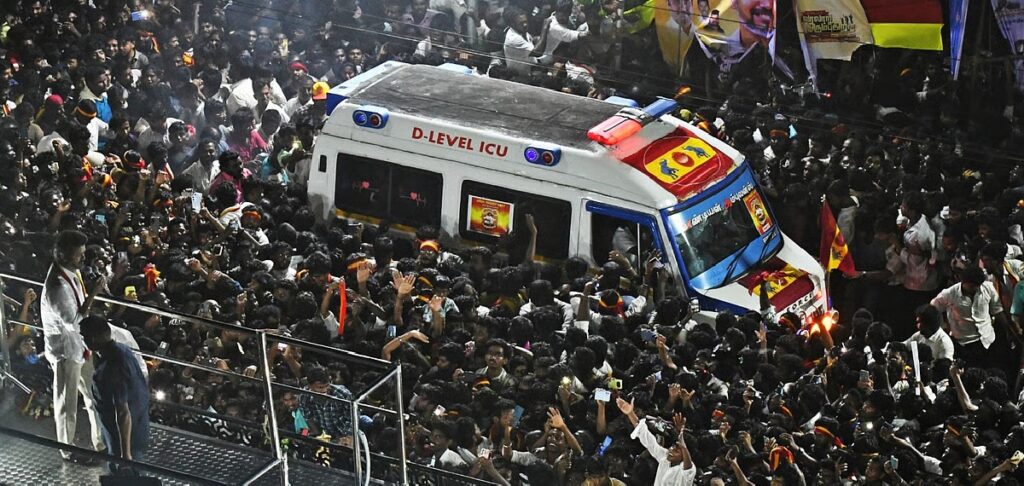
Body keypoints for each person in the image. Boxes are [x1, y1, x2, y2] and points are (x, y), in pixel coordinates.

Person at [40, 230, 107, 464]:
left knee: (93, 396)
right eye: (79, 254)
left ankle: (101, 443)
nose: (83, 258)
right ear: (64, 255)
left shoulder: (71, 272)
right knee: (66, 402)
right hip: (66, 352)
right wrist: (94, 293)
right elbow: (75, 321)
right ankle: (67, 450)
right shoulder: (57, 287)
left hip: (81, 346)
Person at [79, 315, 150, 473]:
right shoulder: (124, 350)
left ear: (93, 338)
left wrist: (125, 455)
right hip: (137, 426)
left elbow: (122, 412)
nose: (82, 340)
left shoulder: (110, 368)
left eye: (83, 336)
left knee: (127, 476)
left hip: (123, 439)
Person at [616, 397, 696, 485]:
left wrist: (683, 444)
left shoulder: (687, 472)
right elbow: (645, 436)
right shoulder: (665, 457)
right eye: (673, 446)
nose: (671, 450)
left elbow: (688, 468)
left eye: (676, 450)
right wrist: (630, 413)